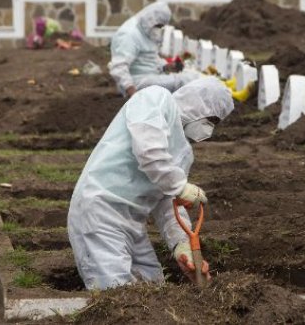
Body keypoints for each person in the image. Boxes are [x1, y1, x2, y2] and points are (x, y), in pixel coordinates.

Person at [67, 77, 234, 290]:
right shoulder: (155, 99)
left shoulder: (183, 153)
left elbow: (169, 202)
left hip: (131, 223)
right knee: (116, 295)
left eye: (215, 124)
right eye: (210, 119)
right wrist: (179, 186)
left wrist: (182, 245)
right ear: (197, 102)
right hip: (99, 210)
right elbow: (149, 152)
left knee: (154, 291)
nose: (209, 130)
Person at [108, 2, 198, 98]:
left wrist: (166, 66)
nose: (159, 29)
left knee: (191, 75)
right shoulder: (129, 35)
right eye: (158, 26)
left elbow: (147, 59)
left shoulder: (145, 30)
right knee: (184, 81)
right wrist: (134, 95)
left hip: (149, 77)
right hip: (137, 83)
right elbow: (119, 67)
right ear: (151, 20)